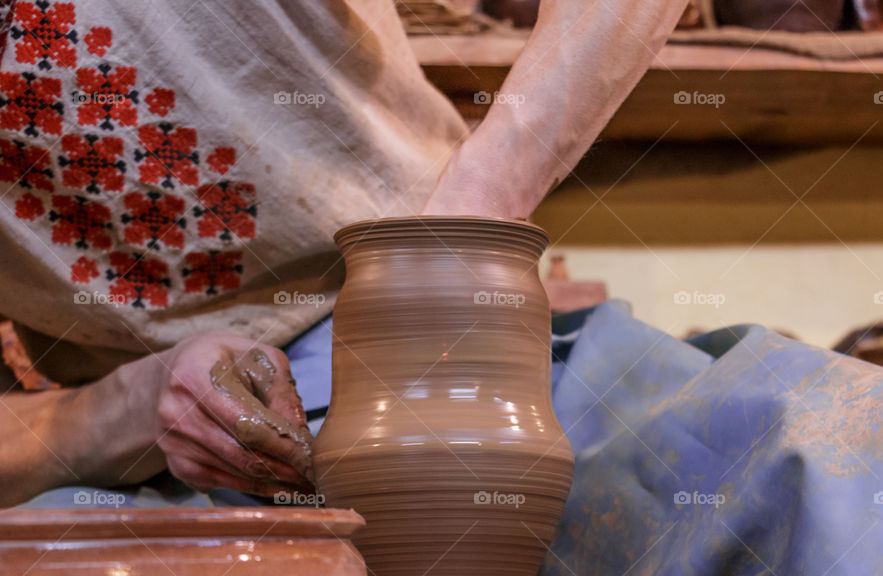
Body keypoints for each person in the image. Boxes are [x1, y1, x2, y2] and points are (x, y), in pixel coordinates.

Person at [0, 0, 688, 507]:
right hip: (163, 447)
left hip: (445, 321)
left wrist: (477, 206)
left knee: (745, 442)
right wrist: (133, 406)